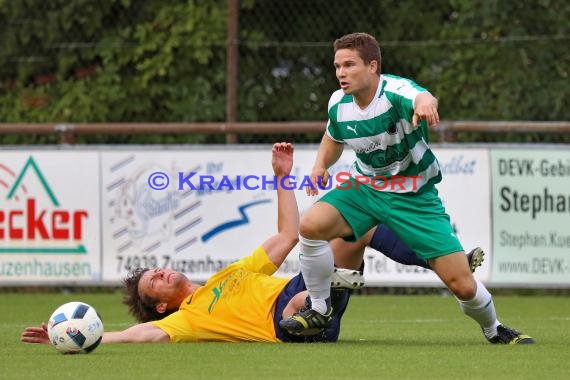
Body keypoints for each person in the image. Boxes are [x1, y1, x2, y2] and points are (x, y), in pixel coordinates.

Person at [21, 142, 475, 345]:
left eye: (154, 270)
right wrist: (93, 337)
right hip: (287, 321)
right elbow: (142, 335)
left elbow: (284, 236)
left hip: (299, 289)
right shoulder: (188, 322)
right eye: (152, 284)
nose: (159, 273)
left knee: (356, 228)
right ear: (162, 306)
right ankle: (326, 295)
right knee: (301, 297)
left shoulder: (228, 275)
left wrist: (283, 179)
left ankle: (441, 260)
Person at [279, 32, 534, 345]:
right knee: (310, 225)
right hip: (365, 188)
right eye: (337, 66)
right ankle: (319, 308)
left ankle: (493, 328)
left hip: (414, 196)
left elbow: (421, 96)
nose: (341, 73)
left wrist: (426, 104)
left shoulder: (394, 91)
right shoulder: (338, 103)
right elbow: (333, 137)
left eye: (349, 65)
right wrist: (321, 166)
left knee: (463, 285)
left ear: (372, 66)